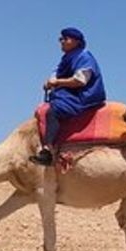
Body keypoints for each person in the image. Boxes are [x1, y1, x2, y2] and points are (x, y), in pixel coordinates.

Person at [30, 27, 106, 165]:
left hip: (83, 96)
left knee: (54, 112)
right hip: (70, 93)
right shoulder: (67, 58)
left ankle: (48, 150)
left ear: (76, 41)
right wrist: (50, 83)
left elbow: (80, 80)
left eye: (65, 39)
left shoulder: (84, 57)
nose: (62, 42)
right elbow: (56, 74)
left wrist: (57, 82)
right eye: (61, 39)